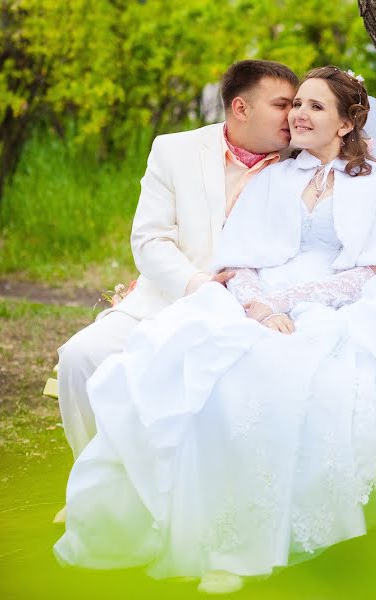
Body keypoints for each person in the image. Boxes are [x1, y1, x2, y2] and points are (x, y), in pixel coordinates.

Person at [54, 66, 376, 593]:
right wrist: (256, 306)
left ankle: (243, 548)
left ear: (346, 123)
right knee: (186, 364)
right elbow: (238, 261)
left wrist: (287, 302)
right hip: (257, 301)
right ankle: (172, 524)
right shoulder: (275, 177)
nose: (298, 115)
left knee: (270, 377)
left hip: (341, 303)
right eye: (295, 105)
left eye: (315, 106)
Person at [55, 60, 299, 461]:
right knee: (81, 358)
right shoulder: (174, 150)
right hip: (171, 299)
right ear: (241, 108)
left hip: (256, 310)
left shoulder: (304, 159)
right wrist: (197, 285)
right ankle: (98, 480)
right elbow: (150, 240)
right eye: (281, 105)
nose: (293, 116)